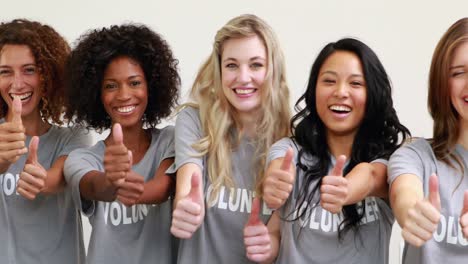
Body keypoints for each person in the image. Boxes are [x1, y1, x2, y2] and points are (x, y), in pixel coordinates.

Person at [249, 38, 410, 263]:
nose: (340, 92)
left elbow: (372, 176)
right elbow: (277, 227)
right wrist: (267, 246)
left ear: (373, 93)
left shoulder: (392, 162)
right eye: (329, 81)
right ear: (314, 91)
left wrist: (346, 190)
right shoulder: (290, 152)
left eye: (355, 83)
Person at [169, 14, 291, 263]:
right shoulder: (194, 121)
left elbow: (278, 235)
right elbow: (187, 184)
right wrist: (185, 205)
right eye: (232, 65)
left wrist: (270, 247)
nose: (243, 78)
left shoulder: (293, 139)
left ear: (272, 70)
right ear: (219, 69)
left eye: (256, 65)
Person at [63, 24, 180, 264]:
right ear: (96, 94)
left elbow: (163, 188)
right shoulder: (81, 159)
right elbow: (95, 188)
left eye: (135, 82)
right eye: (111, 86)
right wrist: (111, 182)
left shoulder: (170, 140)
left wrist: (133, 190)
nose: (124, 95)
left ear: (151, 86)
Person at [0, 19, 92, 263]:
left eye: (29, 70)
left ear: (49, 75)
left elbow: (62, 176)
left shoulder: (74, 136)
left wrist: (43, 179)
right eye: (5, 71)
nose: (17, 83)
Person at [388, 17, 468, 264]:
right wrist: (412, 211)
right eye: (459, 73)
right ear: (442, 83)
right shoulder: (416, 155)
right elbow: (405, 192)